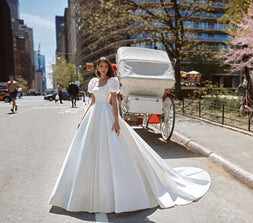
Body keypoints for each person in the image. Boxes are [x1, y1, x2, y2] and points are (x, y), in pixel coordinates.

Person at [48, 57, 211, 213]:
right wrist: (82, 119)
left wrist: (117, 122)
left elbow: (113, 103)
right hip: (93, 117)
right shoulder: (94, 83)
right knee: (87, 150)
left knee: (112, 147)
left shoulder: (112, 82)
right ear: (97, 68)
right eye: (101, 67)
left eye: (106, 67)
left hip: (105, 115)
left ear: (108, 69)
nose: (103, 69)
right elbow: (92, 102)